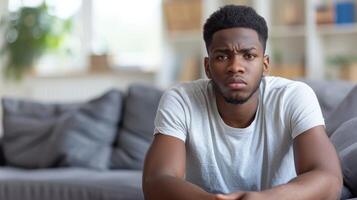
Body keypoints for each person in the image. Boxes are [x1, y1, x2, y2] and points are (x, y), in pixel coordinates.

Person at [142, 5, 342, 200]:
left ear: (265, 65)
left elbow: (329, 179)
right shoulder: (181, 100)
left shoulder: (294, 96)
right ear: (207, 67)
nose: (235, 67)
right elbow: (157, 179)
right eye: (222, 56)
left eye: (248, 56)